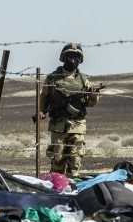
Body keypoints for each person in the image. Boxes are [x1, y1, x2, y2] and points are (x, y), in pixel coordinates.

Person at [37, 43, 101, 177]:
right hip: (58, 125)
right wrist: (41, 111)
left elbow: (90, 104)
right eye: (70, 56)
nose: (73, 59)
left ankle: (73, 189)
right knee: (57, 159)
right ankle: (56, 188)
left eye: (76, 56)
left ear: (80, 59)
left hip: (77, 125)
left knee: (75, 159)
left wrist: (94, 95)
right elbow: (43, 97)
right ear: (63, 57)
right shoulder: (53, 78)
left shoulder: (84, 80)